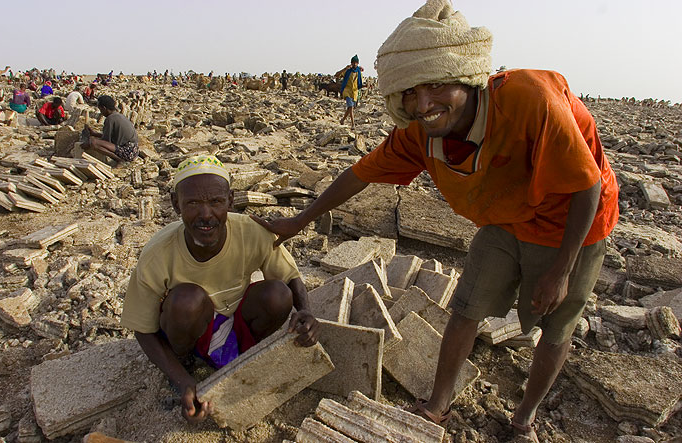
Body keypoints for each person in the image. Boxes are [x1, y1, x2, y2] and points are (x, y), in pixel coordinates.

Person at [255, 1, 619, 441]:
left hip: (573, 225)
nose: (423, 103)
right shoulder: (420, 134)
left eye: (436, 85)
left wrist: (560, 271)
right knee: (466, 308)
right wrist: (300, 219)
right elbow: (358, 174)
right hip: (505, 221)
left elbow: (586, 186)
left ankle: (523, 418)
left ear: (466, 76)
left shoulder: (531, 100)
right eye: (409, 91)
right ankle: (437, 405)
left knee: (556, 327)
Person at [121, 155, 319, 422]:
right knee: (187, 301)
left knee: (278, 295)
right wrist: (181, 380)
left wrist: (305, 311)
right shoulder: (159, 253)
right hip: (190, 328)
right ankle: (187, 361)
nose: (206, 215)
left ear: (230, 200)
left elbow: (290, 277)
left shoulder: (251, 232)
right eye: (192, 203)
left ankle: (246, 353)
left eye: (215, 202)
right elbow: (143, 329)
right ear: (175, 204)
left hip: (236, 321)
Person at [81, 95, 139, 162]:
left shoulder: (110, 119)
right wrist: (95, 134)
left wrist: (87, 144)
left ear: (104, 108)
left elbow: (106, 141)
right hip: (134, 151)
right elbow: (112, 136)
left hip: (128, 152)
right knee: (94, 140)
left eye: (100, 109)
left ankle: (119, 160)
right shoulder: (119, 115)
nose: (101, 112)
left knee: (93, 142)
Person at [335, 55, 364, 129]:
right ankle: (353, 124)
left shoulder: (358, 72)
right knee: (350, 107)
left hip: (354, 92)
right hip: (347, 90)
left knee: (350, 108)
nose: (354, 64)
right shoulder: (347, 71)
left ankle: (342, 120)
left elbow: (360, 83)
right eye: (353, 63)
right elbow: (337, 75)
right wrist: (344, 69)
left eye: (356, 63)